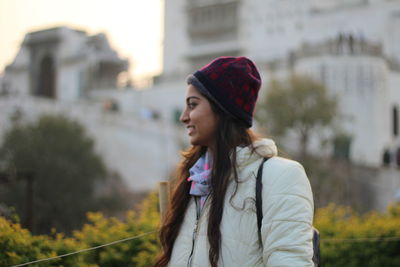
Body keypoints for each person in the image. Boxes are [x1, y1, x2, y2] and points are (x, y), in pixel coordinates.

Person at [154, 56, 314, 267]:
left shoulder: (280, 176)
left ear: (222, 109)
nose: (184, 116)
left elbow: (290, 260)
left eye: (193, 105)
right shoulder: (195, 183)